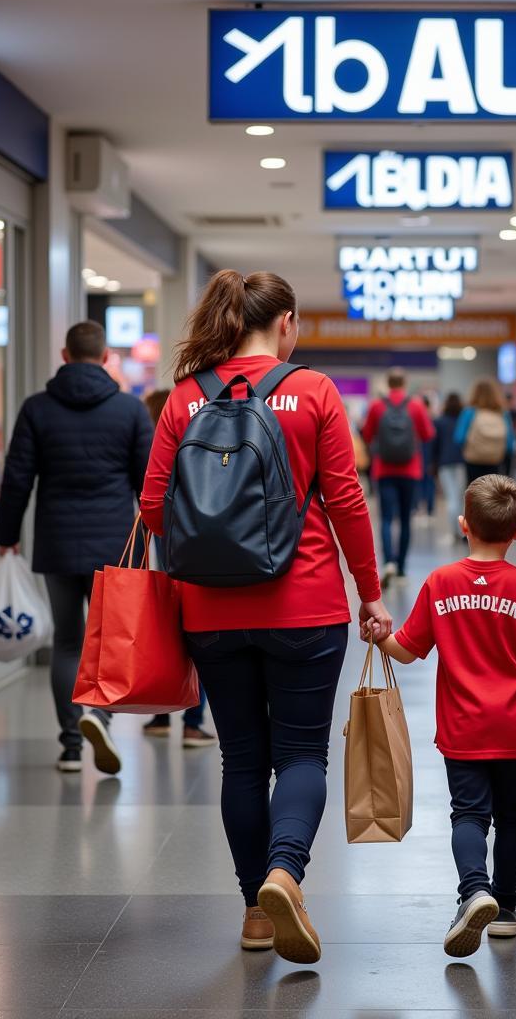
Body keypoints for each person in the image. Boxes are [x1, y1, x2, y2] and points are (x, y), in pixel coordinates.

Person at [141, 269, 391, 964]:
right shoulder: (312, 391)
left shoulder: (186, 397)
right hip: (305, 602)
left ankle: (255, 909)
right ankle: (287, 871)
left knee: (242, 759)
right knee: (302, 753)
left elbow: (154, 505)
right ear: (284, 323)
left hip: (210, 611)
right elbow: (346, 501)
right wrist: (369, 592)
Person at [365, 475, 516, 959]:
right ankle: (504, 907)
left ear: (463, 525)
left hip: (462, 729)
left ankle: (472, 891)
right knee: (511, 819)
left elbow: (409, 652)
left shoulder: (441, 584)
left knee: (469, 815)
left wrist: (378, 636)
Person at [0, 320, 154, 775]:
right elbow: (148, 486)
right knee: (108, 642)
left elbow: (17, 479)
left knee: (67, 641)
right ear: (105, 358)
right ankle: (97, 715)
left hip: (56, 541)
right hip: (114, 546)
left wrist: (7, 536)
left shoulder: (37, 409)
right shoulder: (129, 411)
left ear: (65, 356)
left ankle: (70, 746)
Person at [140, 388, 215, 748]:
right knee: (194, 626)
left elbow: (150, 502)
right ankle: (192, 721)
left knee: (167, 624)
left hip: (163, 536)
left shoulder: (153, 445)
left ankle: (158, 713)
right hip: (198, 541)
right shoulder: (195, 438)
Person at [360, 369, 434, 587]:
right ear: (404, 383)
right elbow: (428, 434)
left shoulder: (376, 405)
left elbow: (366, 434)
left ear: (388, 383)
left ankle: (388, 563)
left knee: (385, 518)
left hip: (384, 470)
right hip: (410, 470)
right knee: (405, 519)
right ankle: (401, 567)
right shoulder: (416, 405)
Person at [455, 378, 515, 484]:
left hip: (473, 460)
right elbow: (510, 443)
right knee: (492, 493)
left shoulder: (469, 412)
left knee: (475, 492)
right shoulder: (503, 413)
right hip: (495, 460)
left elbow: (459, 438)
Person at [433, 392, 465, 542]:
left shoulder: (439, 422)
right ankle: (461, 532)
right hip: (462, 461)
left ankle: (454, 532)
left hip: (445, 463)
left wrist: (433, 463)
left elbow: (435, 444)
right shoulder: (463, 420)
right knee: (459, 497)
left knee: (451, 498)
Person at [419, 394, 438, 517]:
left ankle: (418, 508)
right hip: (430, 456)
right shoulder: (433, 420)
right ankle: (430, 510)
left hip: (419, 456)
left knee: (420, 484)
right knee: (430, 483)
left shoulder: (416, 419)